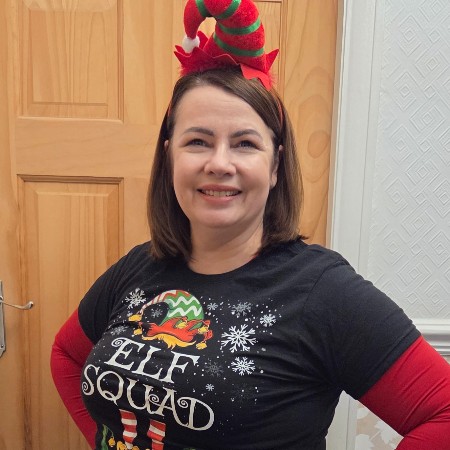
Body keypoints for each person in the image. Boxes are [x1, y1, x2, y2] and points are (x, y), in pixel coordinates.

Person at [51, 1, 450, 449]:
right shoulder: (140, 266)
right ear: (169, 156)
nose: (220, 164)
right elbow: (66, 355)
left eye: (244, 144)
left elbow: (444, 413)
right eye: (197, 141)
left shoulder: (322, 292)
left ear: (275, 164)